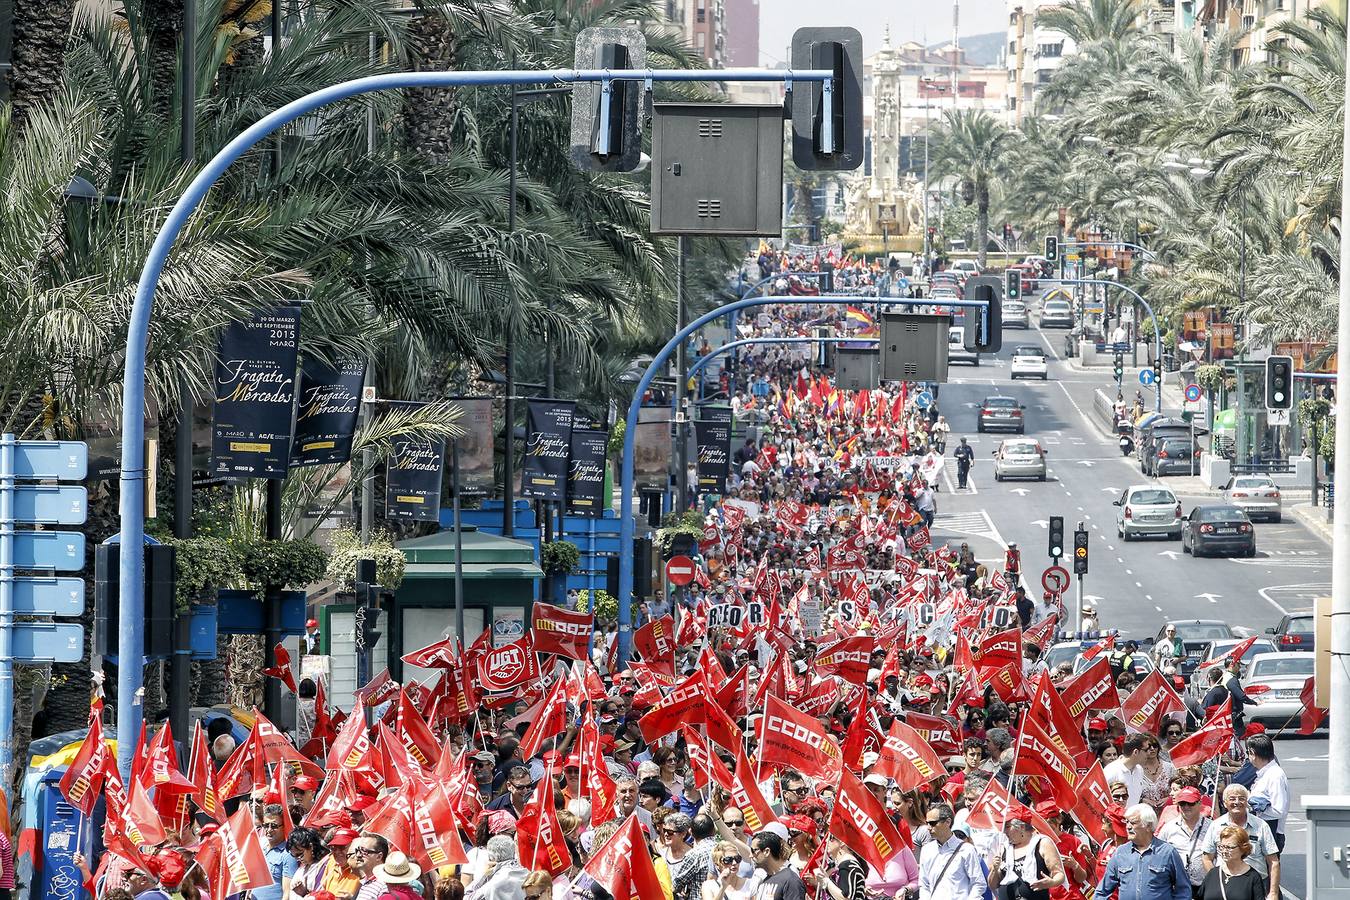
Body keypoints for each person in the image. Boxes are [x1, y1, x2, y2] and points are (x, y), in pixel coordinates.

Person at [1092, 804, 1190, 900]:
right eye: (1127, 822)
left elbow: (1183, 890)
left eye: (1133, 823)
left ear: (1148, 825)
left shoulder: (1167, 853)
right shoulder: (1120, 853)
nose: (1128, 827)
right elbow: (1102, 891)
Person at [1199, 785, 1279, 900]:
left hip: (1258, 885)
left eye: (1241, 798)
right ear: (1225, 802)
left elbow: (1273, 861)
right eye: (1232, 799)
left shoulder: (1261, 826)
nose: (1237, 802)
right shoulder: (1215, 826)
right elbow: (1207, 858)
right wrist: (1216, 880)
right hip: (1228, 885)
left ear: (1247, 802)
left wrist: (1273, 893)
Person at [918, 803, 986, 900]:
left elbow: (978, 883)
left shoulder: (966, 850)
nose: (928, 827)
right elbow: (924, 884)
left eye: (933, 823)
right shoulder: (926, 850)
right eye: (927, 823)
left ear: (947, 822)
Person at [989, 817, 1064, 900]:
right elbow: (992, 885)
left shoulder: (1042, 843)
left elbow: (1059, 874)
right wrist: (994, 870)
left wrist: (1052, 882)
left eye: (1007, 827)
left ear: (1021, 827)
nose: (1004, 832)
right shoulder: (1004, 848)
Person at [1156, 786, 1212, 895]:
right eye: (1182, 803)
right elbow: (1158, 855)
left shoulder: (1212, 827)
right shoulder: (1168, 828)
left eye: (1190, 803)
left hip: (1204, 886)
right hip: (1176, 887)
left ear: (1199, 803)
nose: (1186, 807)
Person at [1245, 735, 1288, 853]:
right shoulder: (1265, 773)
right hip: (1261, 829)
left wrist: (1255, 807)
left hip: (1271, 832)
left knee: (1269, 868)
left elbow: (1279, 810)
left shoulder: (1275, 776)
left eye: (1248, 752)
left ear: (1253, 753)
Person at [1197, 827, 1265, 900]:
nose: (1224, 851)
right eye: (1222, 846)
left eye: (1229, 847)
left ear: (1243, 848)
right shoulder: (1213, 873)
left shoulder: (1253, 877)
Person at [804, 834, 869, 900]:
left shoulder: (848, 865)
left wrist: (826, 881)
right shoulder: (843, 865)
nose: (826, 840)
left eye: (831, 838)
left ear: (842, 842)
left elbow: (845, 898)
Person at [750, 829, 808, 900]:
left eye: (753, 851)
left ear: (767, 852)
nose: (750, 855)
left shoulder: (791, 881)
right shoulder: (764, 880)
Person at [256, 805, 298, 900]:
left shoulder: (288, 854)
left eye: (274, 826)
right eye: (266, 825)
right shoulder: (260, 848)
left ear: (284, 826)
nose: (269, 829)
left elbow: (287, 894)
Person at [1102, 734, 1149, 808]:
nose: (1149, 753)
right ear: (1136, 752)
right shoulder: (1110, 771)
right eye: (1146, 750)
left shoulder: (1140, 770)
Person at [352, 834, 390, 900]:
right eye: (358, 850)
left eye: (364, 851)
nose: (358, 855)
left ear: (379, 856)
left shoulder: (385, 885)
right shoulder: (365, 881)